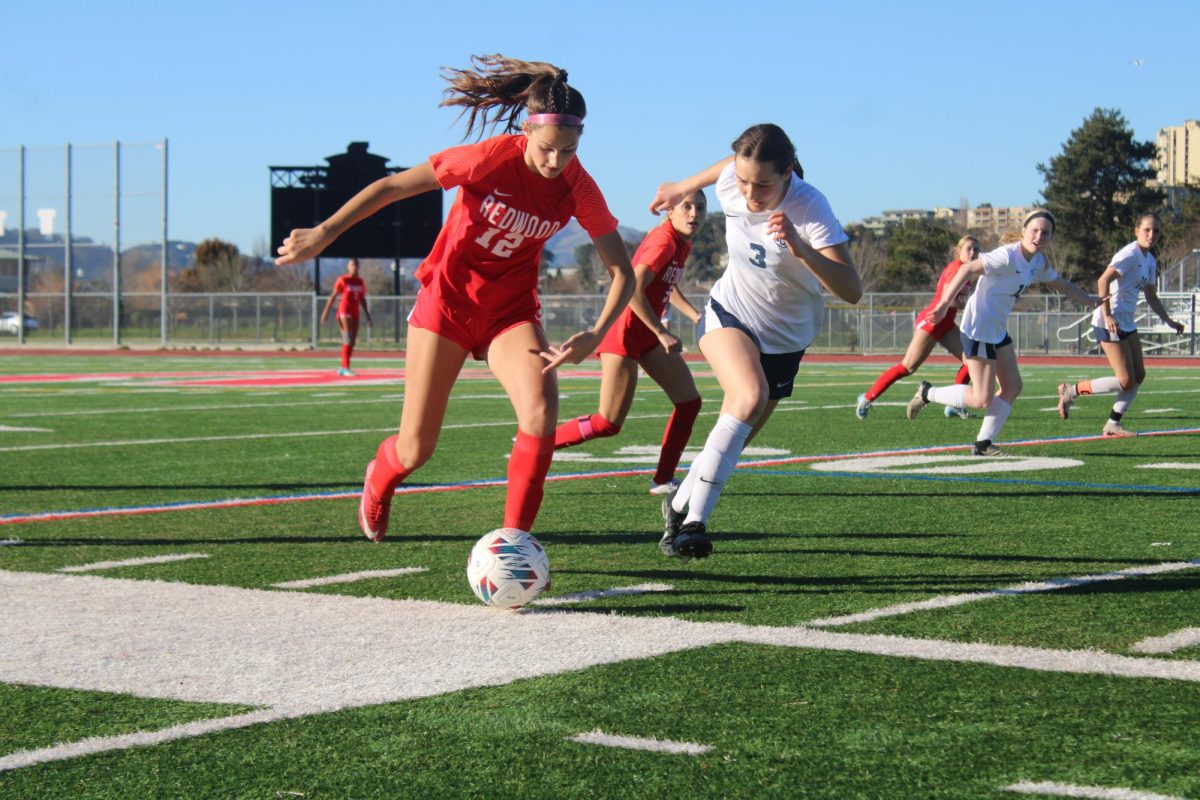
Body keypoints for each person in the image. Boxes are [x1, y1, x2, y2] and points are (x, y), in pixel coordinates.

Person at [276, 55, 635, 542]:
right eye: (548, 149)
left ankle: (515, 541)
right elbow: (389, 187)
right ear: (527, 131)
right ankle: (380, 479)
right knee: (415, 449)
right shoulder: (487, 158)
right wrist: (324, 232)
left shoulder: (579, 188)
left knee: (541, 409)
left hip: (509, 314)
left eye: (569, 151)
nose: (557, 162)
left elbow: (622, 273)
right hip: (445, 305)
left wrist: (594, 334)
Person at [649, 123, 862, 560]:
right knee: (747, 396)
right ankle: (694, 525)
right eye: (744, 181)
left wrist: (803, 249)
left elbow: (852, 289)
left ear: (787, 174)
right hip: (730, 313)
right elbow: (726, 168)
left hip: (785, 339)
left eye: (762, 184)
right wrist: (682, 186)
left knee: (734, 438)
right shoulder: (734, 178)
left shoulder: (809, 206)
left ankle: (679, 503)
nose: (749, 193)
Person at [906, 209, 1100, 455]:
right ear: (1024, 232)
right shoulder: (1006, 256)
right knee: (981, 399)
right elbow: (966, 269)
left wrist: (1090, 300)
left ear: (1051, 238)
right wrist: (944, 305)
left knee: (1012, 387)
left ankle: (983, 444)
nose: (1039, 236)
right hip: (978, 328)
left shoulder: (1038, 262)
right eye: (1035, 231)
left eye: (1045, 233)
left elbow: (1062, 284)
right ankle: (927, 393)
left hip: (996, 329)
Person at [553, 190, 707, 496]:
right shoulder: (664, 241)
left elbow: (666, 284)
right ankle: (540, 442)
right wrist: (661, 331)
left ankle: (663, 480)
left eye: (700, 208)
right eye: (686, 207)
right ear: (670, 212)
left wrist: (694, 316)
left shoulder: (680, 243)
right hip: (623, 333)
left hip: (646, 334)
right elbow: (634, 288)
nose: (694, 214)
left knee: (689, 402)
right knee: (607, 423)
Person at [1056, 212, 1185, 436]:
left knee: (1139, 376)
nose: (1151, 234)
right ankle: (1071, 391)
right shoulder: (1129, 254)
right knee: (1126, 380)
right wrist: (1106, 315)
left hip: (1126, 320)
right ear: (1136, 231)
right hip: (1109, 320)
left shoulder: (1150, 260)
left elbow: (1151, 297)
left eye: (1155, 231)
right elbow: (1102, 280)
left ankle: (1113, 423)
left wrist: (1169, 321)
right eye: (1146, 230)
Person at [855, 236, 979, 421]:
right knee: (907, 367)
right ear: (958, 251)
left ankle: (954, 404)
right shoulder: (956, 269)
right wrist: (964, 302)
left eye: (976, 249)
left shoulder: (968, 271)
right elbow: (949, 299)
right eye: (969, 248)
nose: (973, 253)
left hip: (946, 324)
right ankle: (866, 398)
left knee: (972, 360)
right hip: (932, 322)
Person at [320, 257, 373, 376]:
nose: (354, 267)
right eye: (352, 264)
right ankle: (346, 367)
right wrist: (325, 313)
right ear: (348, 267)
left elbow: (362, 299)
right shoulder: (343, 280)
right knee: (347, 338)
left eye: (356, 264)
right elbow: (333, 296)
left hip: (355, 312)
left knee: (352, 341)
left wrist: (368, 315)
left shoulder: (360, 282)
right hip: (344, 311)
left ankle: (343, 366)